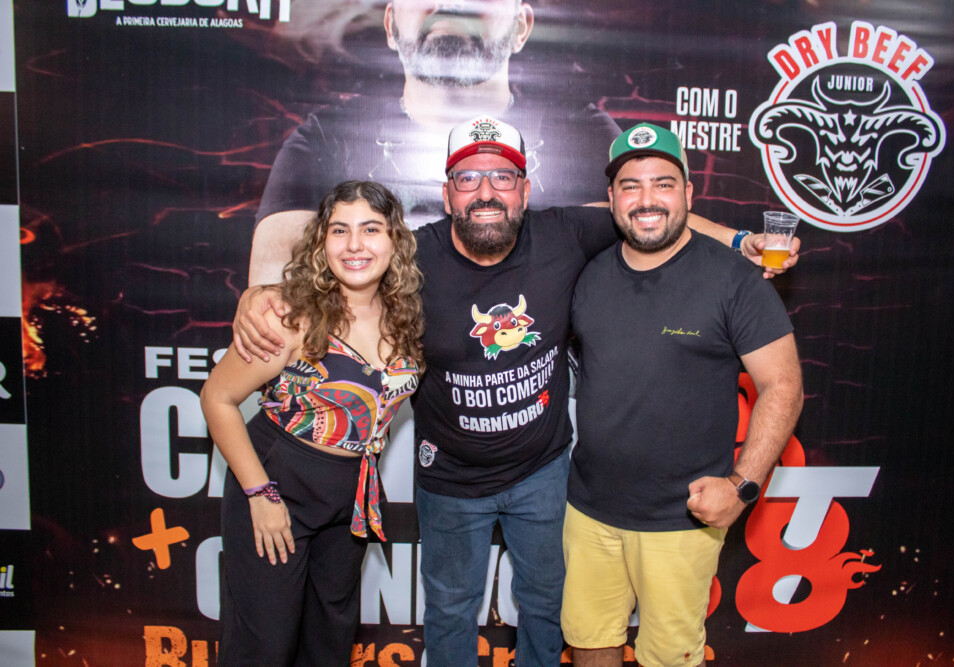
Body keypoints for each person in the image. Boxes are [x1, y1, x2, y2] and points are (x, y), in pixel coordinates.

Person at [233, 116, 798, 666]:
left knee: (547, 611)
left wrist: (740, 240)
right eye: (468, 178)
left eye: (502, 177)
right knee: (449, 611)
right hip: (450, 479)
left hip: (542, 475)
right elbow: (341, 265)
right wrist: (261, 295)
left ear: (525, 190)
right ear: (448, 194)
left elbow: (650, 212)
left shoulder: (564, 234)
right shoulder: (411, 258)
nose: (486, 192)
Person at [562, 124, 804, 667]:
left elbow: (783, 385)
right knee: (589, 641)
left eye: (664, 184)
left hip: (682, 517)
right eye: (630, 185)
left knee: (669, 657)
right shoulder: (587, 272)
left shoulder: (734, 280)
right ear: (611, 198)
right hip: (589, 510)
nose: (647, 199)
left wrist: (742, 486)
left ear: (689, 194)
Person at [200, 181, 424, 665]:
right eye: (339, 230)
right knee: (264, 647)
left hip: (351, 499)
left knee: (329, 643)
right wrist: (260, 494)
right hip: (278, 486)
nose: (354, 245)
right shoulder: (289, 315)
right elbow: (217, 397)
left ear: (395, 240)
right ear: (322, 241)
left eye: (371, 229)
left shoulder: (407, 316)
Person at [251, 0, 621, 286]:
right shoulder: (323, 142)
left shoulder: (586, 139)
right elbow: (271, 305)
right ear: (390, 25)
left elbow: (628, 282)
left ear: (521, 26)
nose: (451, 3)